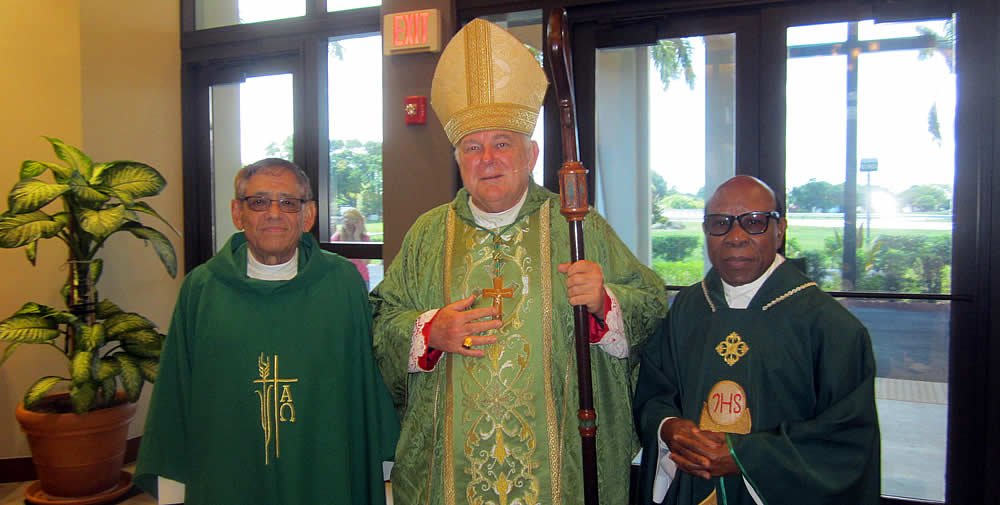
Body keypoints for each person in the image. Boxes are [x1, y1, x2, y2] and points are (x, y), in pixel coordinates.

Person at [370, 19, 669, 505]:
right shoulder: (429, 234)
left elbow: (651, 305)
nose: (487, 158)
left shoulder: (577, 227)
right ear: (459, 160)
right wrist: (428, 332)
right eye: (472, 147)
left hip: (559, 470)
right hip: (454, 475)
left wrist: (604, 303)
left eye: (502, 144)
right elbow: (382, 321)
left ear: (530, 155)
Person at [135, 158, 399, 505]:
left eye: (289, 203)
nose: (274, 213)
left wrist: (381, 464)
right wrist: (173, 484)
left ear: (308, 216)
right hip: (228, 472)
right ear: (237, 212)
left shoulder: (341, 285)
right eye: (259, 202)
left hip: (323, 468)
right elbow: (176, 387)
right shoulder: (202, 289)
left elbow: (366, 382)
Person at [633, 175, 881, 505]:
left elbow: (847, 439)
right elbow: (655, 392)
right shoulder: (688, 308)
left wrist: (744, 457)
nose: (735, 237)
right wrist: (669, 429)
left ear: (780, 230)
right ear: (706, 232)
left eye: (754, 223)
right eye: (720, 223)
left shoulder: (831, 326)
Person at [332, 207, 372, 289]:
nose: (347, 220)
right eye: (345, 218)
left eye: (350, 218)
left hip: (361, 279)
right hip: (342, 279)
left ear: (357, 221)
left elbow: (366, 262)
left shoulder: (364, 238)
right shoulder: (337, 238)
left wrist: (357, 237)